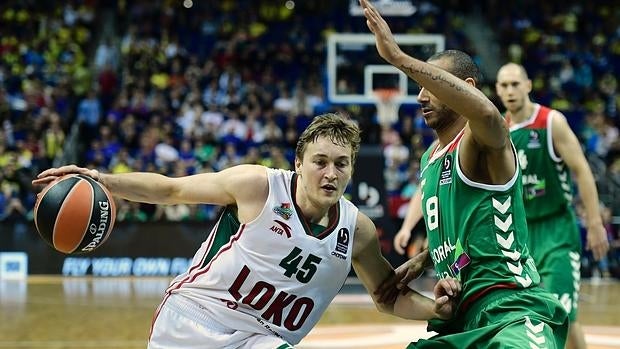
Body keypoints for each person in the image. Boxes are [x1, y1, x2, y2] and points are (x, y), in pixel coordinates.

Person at [33, 113, 460, 349]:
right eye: (320, 161)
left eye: (341, 163)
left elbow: (388, 296)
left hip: (261, 340)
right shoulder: (258, 186)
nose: (331, 173)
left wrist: (435, 310)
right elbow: (172, 188)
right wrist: (102, 179)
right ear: (298, 163)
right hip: (193, 322)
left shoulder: (357, 230)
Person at [360, 0, 569, 347]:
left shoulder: (479, 139)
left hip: (510, 310)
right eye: (421, 87)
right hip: (459, 320)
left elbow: (487, 114)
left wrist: (399, 58)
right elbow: (470, 231)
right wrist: (425, 259)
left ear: (467, 87)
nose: (422, 96)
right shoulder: (430, 157)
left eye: (433, 86)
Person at [496, 62, 610, 349]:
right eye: (504, 85)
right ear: (496, 90)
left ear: (528, 85)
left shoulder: (551, 121)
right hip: (518, 236)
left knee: (562, 315)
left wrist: (595, 223)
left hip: (557, 231)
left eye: (515, 84)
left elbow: (582, 170)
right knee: (526, 320)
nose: (510, 90)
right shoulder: (497, 130)